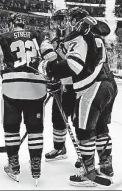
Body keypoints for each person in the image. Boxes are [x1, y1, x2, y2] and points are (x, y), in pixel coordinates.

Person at [38, 7, 117, 187]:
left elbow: (73, 66)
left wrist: (49, 69)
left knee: (83, 129)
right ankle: (105, 165)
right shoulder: (91, 35)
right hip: (106, 84)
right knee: (99, 126)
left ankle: (88, 171)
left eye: (68, 20)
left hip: (91, 86)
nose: (64, 24)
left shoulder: (78, 35)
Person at [0, 13, 52, 184]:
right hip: (37, 89)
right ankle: (35, 167)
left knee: (11, 128)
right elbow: (50, 55)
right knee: (35, 130)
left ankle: (13, 165)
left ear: (11, 24)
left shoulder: (4, 37)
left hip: (13, 88)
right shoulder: (38, 35)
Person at [43, 9, 78, 164]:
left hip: (79, 87)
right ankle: (59, 148)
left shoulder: (77, 38)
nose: (59, 24)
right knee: (57, 118)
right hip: (63, 87)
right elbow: (50, 64)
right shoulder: (55, 42)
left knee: (80, 122)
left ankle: (85, 154)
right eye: (56, 21)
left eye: (61, 20)